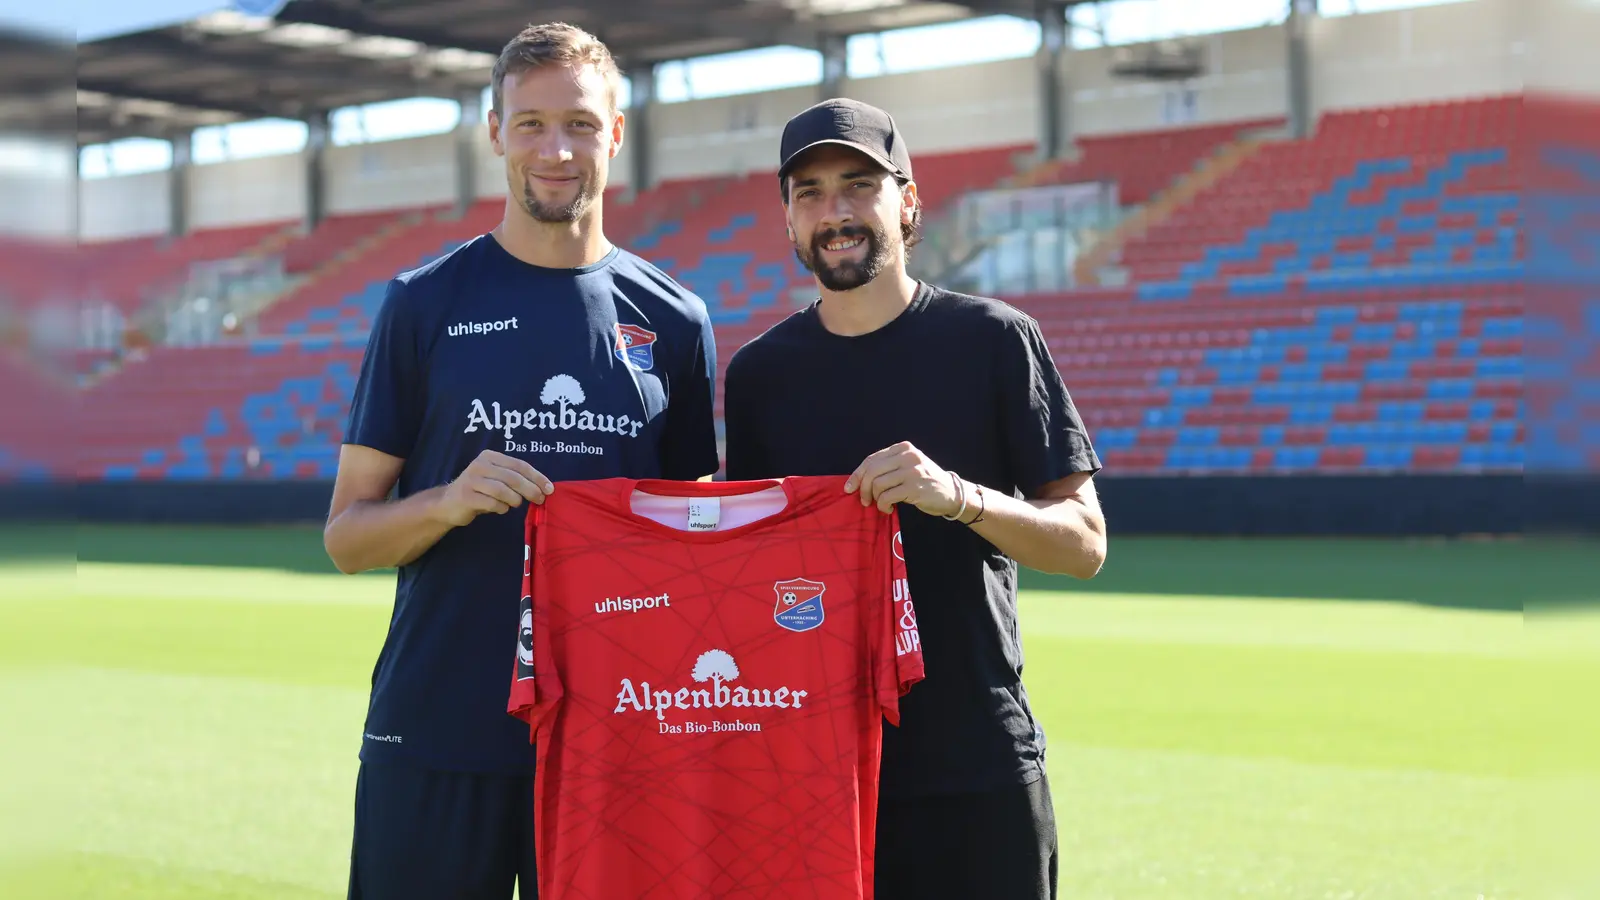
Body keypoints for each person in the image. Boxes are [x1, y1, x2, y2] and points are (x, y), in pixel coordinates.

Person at [323, 22, 720, 900]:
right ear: (495, 131)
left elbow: (696, 550)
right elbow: (348, 538)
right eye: (531, 123)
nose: (556, 149)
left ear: (616, 134)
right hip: (435, 730)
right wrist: (449, 501)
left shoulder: (678, 320)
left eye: (580, 124)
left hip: (612, 742)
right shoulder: (423, 303)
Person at [721, 97, 1108, 900]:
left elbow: (1084, 544)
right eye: (811, 193)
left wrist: (957, 496)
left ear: (908, 199)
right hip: (820, 768)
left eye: (859, 185)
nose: (835, 213)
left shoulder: (996, 340)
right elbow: (749, 580)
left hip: (977, 758)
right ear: (789, 221)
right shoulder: (759, 376)